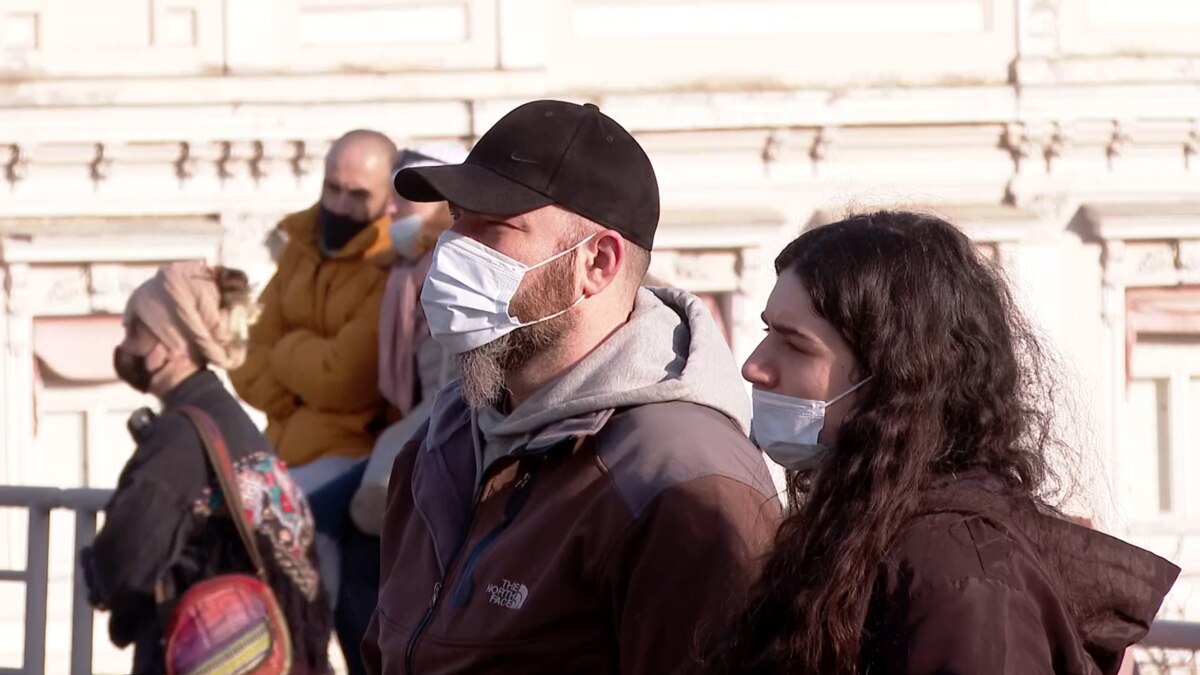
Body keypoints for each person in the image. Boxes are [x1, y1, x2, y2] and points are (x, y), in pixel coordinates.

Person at [363, 100, 781, 674]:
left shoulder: (681, 480)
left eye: (494, 226)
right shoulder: (443, 441)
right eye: (457, 218)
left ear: (597, 263)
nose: (452, 248)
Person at [695, 211, 1180, 675]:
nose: (754, 366)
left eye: (794, 344)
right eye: (767, 331)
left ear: (895, 376)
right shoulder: (864, 523)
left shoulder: (960, 574)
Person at [80, 262, 332, 675]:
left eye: (135, 330)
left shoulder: (180, 435)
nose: (125, 346)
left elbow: (127, 557)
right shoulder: (229, 420)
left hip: (213, 651)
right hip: (277, 648)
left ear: (172, 343)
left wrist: (107, 591)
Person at [306, 142, 468, 675]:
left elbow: (451, 385)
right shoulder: (403, 268)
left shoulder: (449, 266)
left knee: (342, 536)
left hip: (433, 439)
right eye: (393, 196)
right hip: (405, 436)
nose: (391, 209)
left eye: (408, 198)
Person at [231, 129, 396, 492]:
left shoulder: (389, 265)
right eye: (332, 188)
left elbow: (343, 379)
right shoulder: (301, 246)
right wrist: (300, 400)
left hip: (350, 457)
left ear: (389, 197)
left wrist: (287, 348)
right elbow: (243, 354)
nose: (340, 206)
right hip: (279, 449)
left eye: (358, 195)